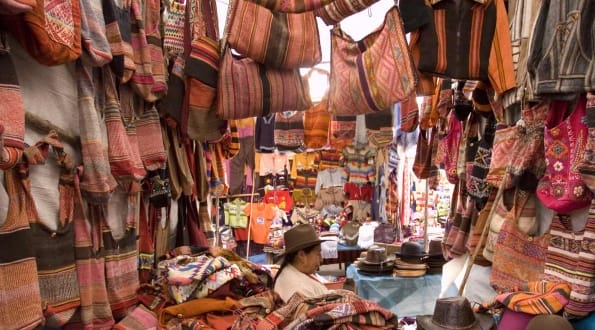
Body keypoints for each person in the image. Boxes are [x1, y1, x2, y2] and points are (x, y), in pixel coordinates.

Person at [273, 224, 329, 302]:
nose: (321, 259)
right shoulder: (297, 288)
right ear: (301, 255)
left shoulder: (296, 272)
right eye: (318, 253)